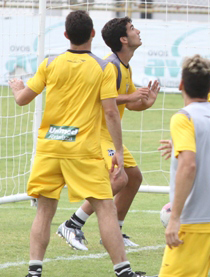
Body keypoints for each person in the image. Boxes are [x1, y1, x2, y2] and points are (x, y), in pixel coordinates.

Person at [8, 10, 147, 277]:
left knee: (45, 210)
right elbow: (109, 111)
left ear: (65, 35)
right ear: (93, 34)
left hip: (50, 147)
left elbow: (23, 99)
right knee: (105, 207)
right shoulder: (103, 67)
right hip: (82, 149)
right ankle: (123, 271)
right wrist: (117, 151)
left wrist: (16, 86)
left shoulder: (50, 63)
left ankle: (34, 271)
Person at [58, 17, 160, 250]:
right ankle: (72, 224)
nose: (138, 31)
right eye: (133, 29)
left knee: (133, 178)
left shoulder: (124, 66)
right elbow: (103, 100)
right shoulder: (109, 66)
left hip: (109, 134)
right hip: (96, 133)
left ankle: (113, 231)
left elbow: (130, 103)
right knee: (119, 178)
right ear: (123, 39)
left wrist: (146, 102)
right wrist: (131, 97)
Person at [159, 55, 210, 277]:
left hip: (197, 220)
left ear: (181, 85)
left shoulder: (183, 118)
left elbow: (188, 166)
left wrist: (174, 218)